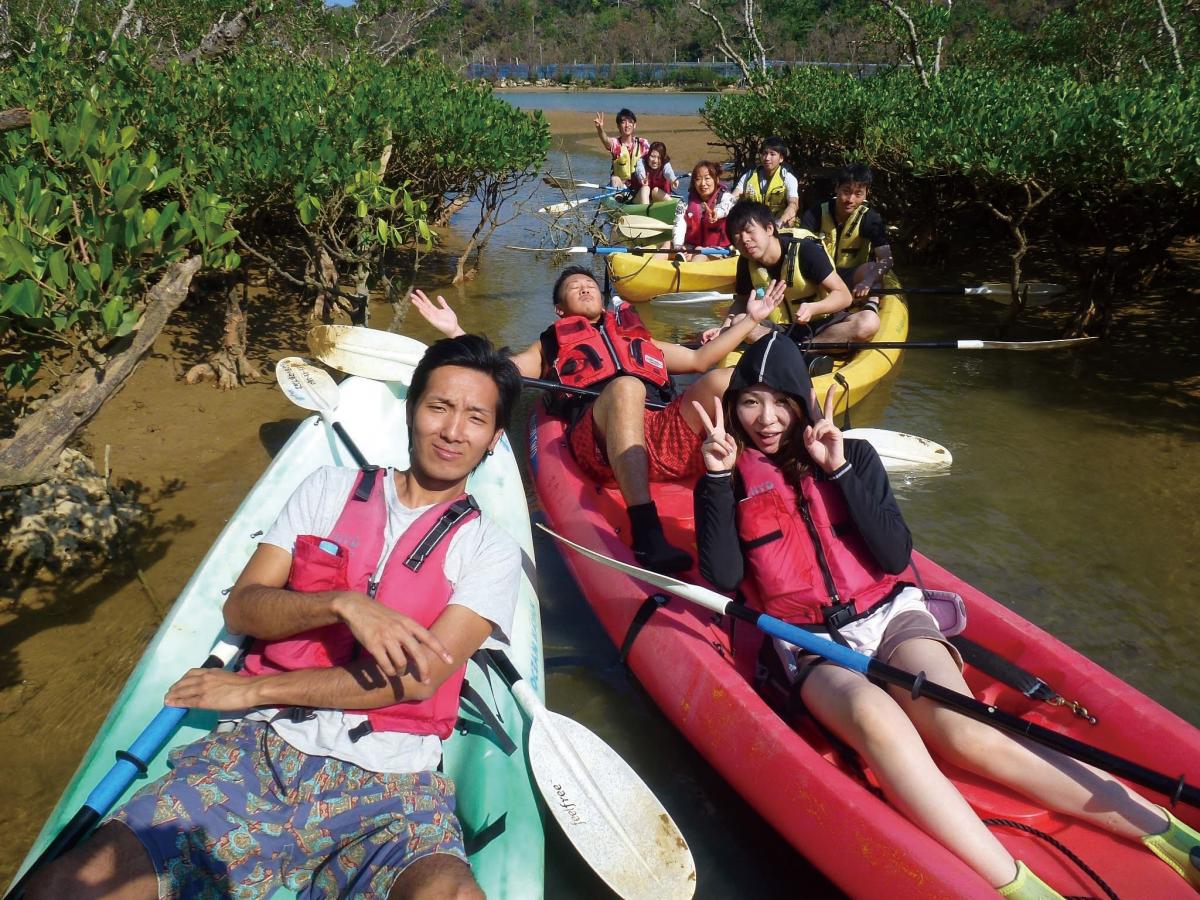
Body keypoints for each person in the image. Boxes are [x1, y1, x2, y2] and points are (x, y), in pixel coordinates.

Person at [692, 331, 1200, 899]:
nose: (767, 418)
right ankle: (1017, 886)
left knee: (963, 731)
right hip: (809, 641)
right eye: (751, 401)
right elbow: (725, 579)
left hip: (889, 617)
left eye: (781, 400)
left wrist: (837, 471)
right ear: (733, 406)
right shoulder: (725, 476)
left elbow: (892, 554)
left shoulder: (852, 454)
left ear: (800, 401)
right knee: (875, 721)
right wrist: (715, 479)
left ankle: (1168, 834)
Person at [27, 335, 525, 900]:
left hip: (393, 780)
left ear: (494, 438)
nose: (452, 430)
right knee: (76, 883)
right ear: (411, 410)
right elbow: (243, 606)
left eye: (475, 418)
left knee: (452, 894)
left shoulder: (491, 550)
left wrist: (253, 691)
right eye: (438, 407)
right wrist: (339, 601)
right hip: (258, 753)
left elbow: (417, 678)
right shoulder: (327, 490)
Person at [411, 268, 783, 575]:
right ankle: (647, 532)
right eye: (574, 287)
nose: (585, 287)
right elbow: (500, 372)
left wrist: (752, 318)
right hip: (599, 442)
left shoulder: (638, 338)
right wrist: (456, 333)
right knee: (626, 387)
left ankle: (769, 490)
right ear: (560, 309)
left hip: (660, 437)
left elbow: (702, 360)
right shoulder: (551, 345)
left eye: (590, 284)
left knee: (728, 379)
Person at [702, 200, 867, 349]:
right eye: (737, 235)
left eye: (748, 231)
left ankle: (803, 350)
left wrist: (813, 308)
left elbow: (844, 296)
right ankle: (794, 353)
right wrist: (724, 329)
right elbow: (741, 301)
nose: (745, 240)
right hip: (780, 331)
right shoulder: (746, 261)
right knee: (738, 322)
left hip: (821, 324)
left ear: (769, 229)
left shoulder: (806, 251)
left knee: (867, 322)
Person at [801, 163, 892, 338]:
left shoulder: (871, 219)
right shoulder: (816, 213)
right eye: (846, 191)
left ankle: (870, 305)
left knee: (872, 269)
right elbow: (800, 247)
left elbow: (886, 260)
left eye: (858, 194)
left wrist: (867, 282)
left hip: (852, 279)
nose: (850, 199)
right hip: (821, 277)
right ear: (836, 188)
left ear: (866, 194)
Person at [667, 160, 734, 261]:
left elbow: (726, 206)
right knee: (667, 245)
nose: (703, 183)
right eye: (698, 179)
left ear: (716, 179)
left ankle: (690, 273)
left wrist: (716, 213)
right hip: (692, 246)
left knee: (699, 253)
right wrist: (678, 245)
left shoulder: (727, 197)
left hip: (719, 250)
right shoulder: (684, 201)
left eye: (707, 178)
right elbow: (679, 223)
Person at [730, 136, 799, 227]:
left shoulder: (788, 178)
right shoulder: (748, 176)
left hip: (779, 225)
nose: (767, 158)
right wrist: (718, 211)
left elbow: (793, 204)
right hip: (753, 225)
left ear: (781, 158)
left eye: (772, 154)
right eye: (764, 153)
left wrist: (779, 223)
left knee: (791, 220)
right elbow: (732, 198)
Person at [594, 108, 650, 190]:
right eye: (623, 122)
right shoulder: (616, 143)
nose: (627, 125)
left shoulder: (643, 143)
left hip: (639, 185)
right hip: (620, 186)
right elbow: (606, 140)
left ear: (634, 125)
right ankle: (618, 199)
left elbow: (654, 158)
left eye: (630, 122)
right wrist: (600, 129)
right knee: (615, 179)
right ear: (618, 126)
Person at [630, 141, 679, 206]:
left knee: (655, 190)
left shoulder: (665, 164)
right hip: (639, 200)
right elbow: (639, 170)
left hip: (657, 199)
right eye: (652, 156)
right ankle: (645, 211)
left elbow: (668, 172)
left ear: (663, 158)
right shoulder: (642, 161)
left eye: (659, 158)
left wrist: (673, 180)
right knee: (645, 188)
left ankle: (675, 207)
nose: (655, 161)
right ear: (648, 155)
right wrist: (642, 178)